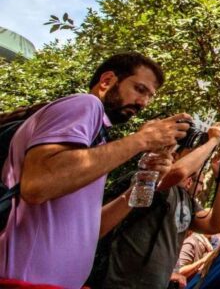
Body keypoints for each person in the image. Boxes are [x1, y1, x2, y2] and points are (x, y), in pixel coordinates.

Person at [0, 52, 192, 287]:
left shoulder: (96, 143)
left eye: (150, 96)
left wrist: (145, 181)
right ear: (107, 80)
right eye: (140, 89)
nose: (144, 103)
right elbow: (38, 185)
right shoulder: (85, 104)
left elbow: (91, 230)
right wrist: (142, 140)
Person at [92, 128, 220, 288]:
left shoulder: (185, 198)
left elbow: (216, 224)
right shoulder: (150, 179)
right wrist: (213, 141)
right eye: (194, 152)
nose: (200, 159)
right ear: (174, 156)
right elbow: (178, 172)